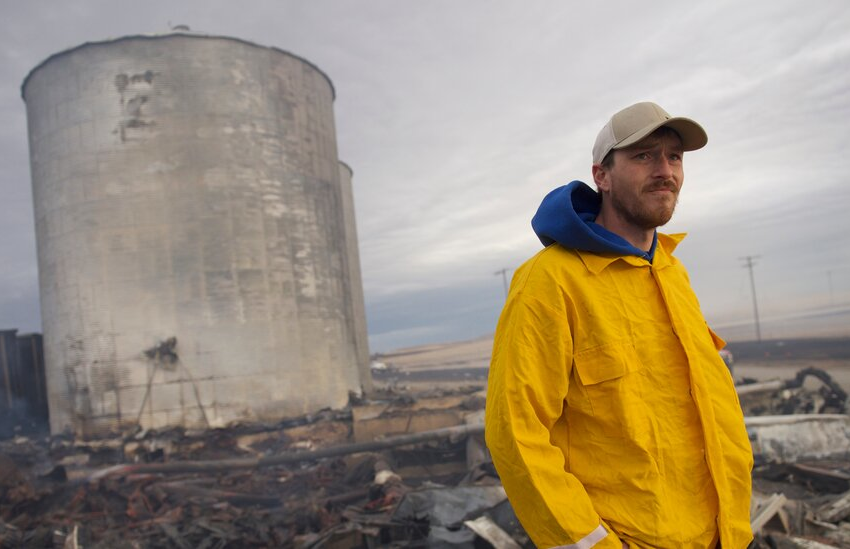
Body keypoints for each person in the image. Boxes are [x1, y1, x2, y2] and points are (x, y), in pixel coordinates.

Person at [485, 102, 752, 548]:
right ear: (602, 176)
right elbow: (515, 433)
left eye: (674, 156)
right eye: (644, 155)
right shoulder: (550, 281)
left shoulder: (670, 272)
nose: (665, 170)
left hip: (721, 535)